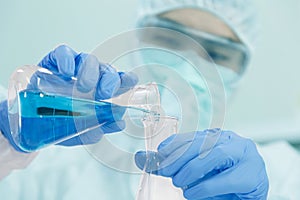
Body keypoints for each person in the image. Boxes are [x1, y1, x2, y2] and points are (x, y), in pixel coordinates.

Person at [0, 0, 270, 199]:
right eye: (169, 39)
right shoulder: (50, 165)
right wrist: (6, 139)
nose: (187, 63)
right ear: (139, 38)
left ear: (242, 70)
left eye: (217, 53)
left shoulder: (279, 174)